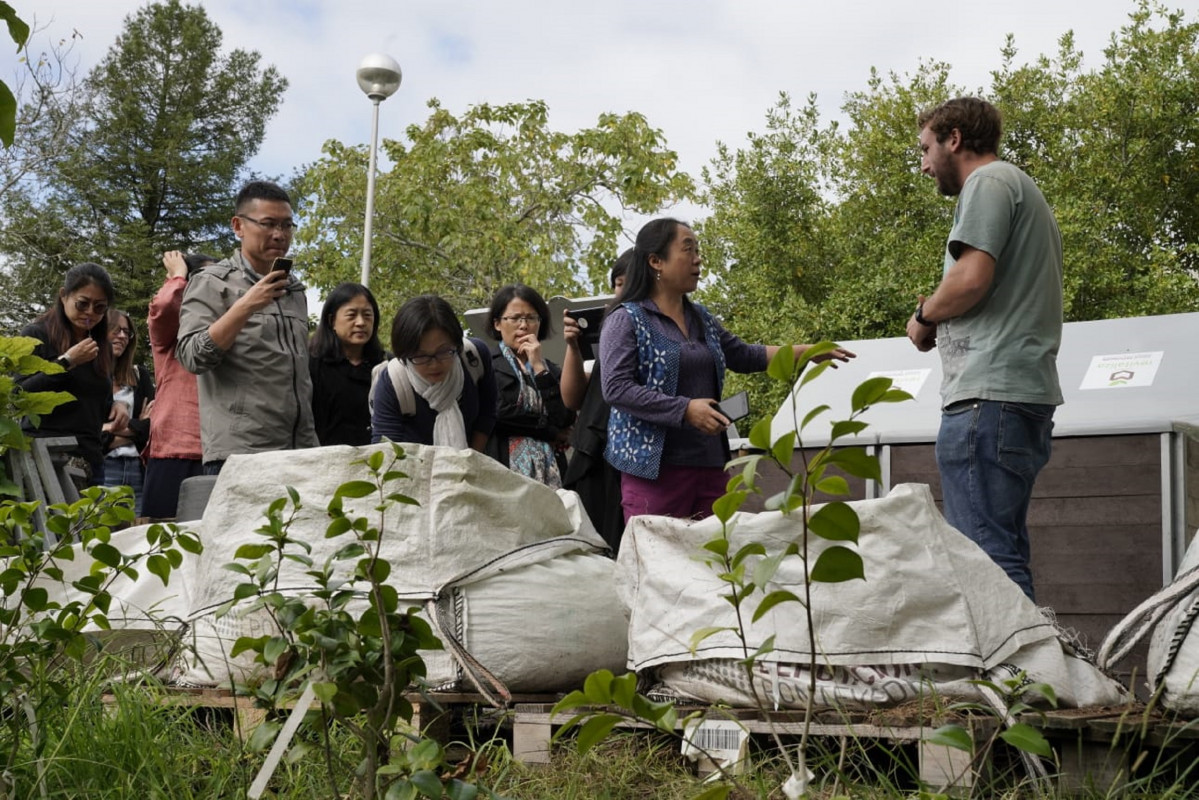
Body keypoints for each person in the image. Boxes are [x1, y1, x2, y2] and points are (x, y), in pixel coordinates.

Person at [906, 97, 1063, 602]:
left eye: (926, 149)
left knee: (985, 561)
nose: (925, 164)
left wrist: (924, 315)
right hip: (1015, 395)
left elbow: (971, 280)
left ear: (954, 139)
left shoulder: (988, 183)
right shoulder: (1019, 189)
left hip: (986, 398)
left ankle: (1014, 679)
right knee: (1003, 550)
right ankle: (1035, 676)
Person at [600, 218, 853, 523]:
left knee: (716, 560)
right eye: (688, 249)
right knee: (659, 559)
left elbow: (745, 355)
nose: (698, 258)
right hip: (655, 471)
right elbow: (616, 388)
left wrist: (806, 352)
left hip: (710, 464)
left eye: (698, 249)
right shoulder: (626, 319)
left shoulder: (701, 317)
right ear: (656, 261)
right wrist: (685, 409)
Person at [176, 181, 318, 473]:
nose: (279, 234)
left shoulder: (294, 290)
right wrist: (245, 306)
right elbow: (191, 356)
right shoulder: (212, 283)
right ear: (238, 226)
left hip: (301, 450)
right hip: (240, 454)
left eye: (287, 225)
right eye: (268, 224)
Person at [17, 262, 128, 487]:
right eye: (82, 304)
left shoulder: (100, 346)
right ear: (63, 296)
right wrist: (67, 361)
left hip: (91, 456)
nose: (89, 313)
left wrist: (116, 406)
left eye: (99, 308)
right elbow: (19, 394)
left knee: (90, 523)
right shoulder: (36, 334)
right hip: (47, 455)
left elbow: (93, 397)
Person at [560, 251, 630, 552]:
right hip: (596, 455)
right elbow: (573, 398)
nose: (623, 292)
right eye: (618, 284)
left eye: (631, 283)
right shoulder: (613, 332)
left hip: (635, 458)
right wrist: (573, 348)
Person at [371, 295, 497, 450]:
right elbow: (385, 448)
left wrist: (471, 461)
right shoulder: (392, 381)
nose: (434, 364)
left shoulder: (474, 358)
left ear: (457, 345)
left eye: (444, 351)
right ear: (405, 354)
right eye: (421, 356)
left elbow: (486, 415)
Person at [143, 251, 215, 519]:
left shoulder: (226, 331)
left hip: (217, 448)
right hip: (174, 449)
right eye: (203, 281)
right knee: (163, 541)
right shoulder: (171, 335)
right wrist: (177, 275)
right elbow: (163, 307)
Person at [485, 284, 576, 487]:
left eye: (531, 318)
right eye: (515, 318)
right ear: (498, 323)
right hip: (502, 467)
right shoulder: (487, 364)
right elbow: (498, 413)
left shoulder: (550, 370)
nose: (524, 325)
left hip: (552, 470)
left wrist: (538, 367)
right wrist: (550, 431)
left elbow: (565, 416)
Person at [309, 283, 385, 446]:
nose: (360, 322)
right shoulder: (312, 365)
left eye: (367, 315)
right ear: (332, 321)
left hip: (375, 462)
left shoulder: (384, 366)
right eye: (351, 315)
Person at [101, 309, 156, 514]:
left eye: (126, 332)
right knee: (100, 535)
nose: (122, 336)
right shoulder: (91, 378)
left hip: (137, 469)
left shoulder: (138, 376)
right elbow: (87, 433)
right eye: (115, 330)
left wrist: (108, 429)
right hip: (103, 469)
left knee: (136, 537)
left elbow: (153, 423)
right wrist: (136, 427)